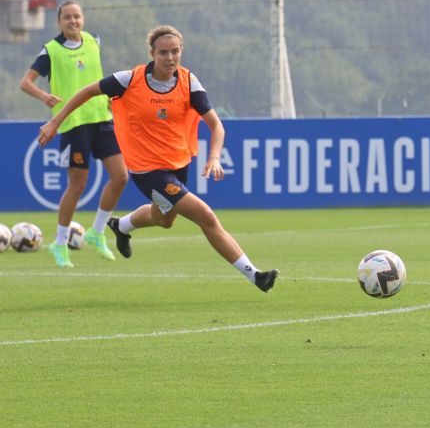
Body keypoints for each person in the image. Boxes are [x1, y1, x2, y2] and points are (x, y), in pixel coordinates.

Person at [37, 25, 277, 292]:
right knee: (206, 216)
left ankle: (121, 225)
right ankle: (256, 276)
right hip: (147, 170)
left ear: (181, 51)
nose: (170, 58)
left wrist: (215, 157)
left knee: (164, 220)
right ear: (152, 53)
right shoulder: (129, 79)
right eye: (163, 52)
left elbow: (216, 126)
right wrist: (55, 122)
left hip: (178, 164)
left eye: (175, 51)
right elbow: (86, 92)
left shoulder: (188, 82)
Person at [19, 0, 129, 267]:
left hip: (101, 118)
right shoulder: (51, 50)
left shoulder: (94, 41)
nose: (73, 21)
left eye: (77, 16)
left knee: (121, 176)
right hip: (72, 123)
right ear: (59, 22)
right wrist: (44, 96)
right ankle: (59, 243)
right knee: (77, 185)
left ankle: (97, 232)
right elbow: (25, 82)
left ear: (83, 19)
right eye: (67, 17)